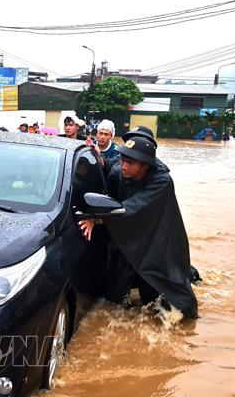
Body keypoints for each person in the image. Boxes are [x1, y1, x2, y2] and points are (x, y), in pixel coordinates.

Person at [78, 135, 198, 319]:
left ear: (145, 165)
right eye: (123, 160)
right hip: (131, 237)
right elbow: (111, 166)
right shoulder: (122, 169)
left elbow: (132, 207)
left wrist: (96, 219)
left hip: (158, 240)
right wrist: (99, 158)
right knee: (114, 295)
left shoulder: (161, 181)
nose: (124, 165)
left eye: (130, 162)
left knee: (167, 298)